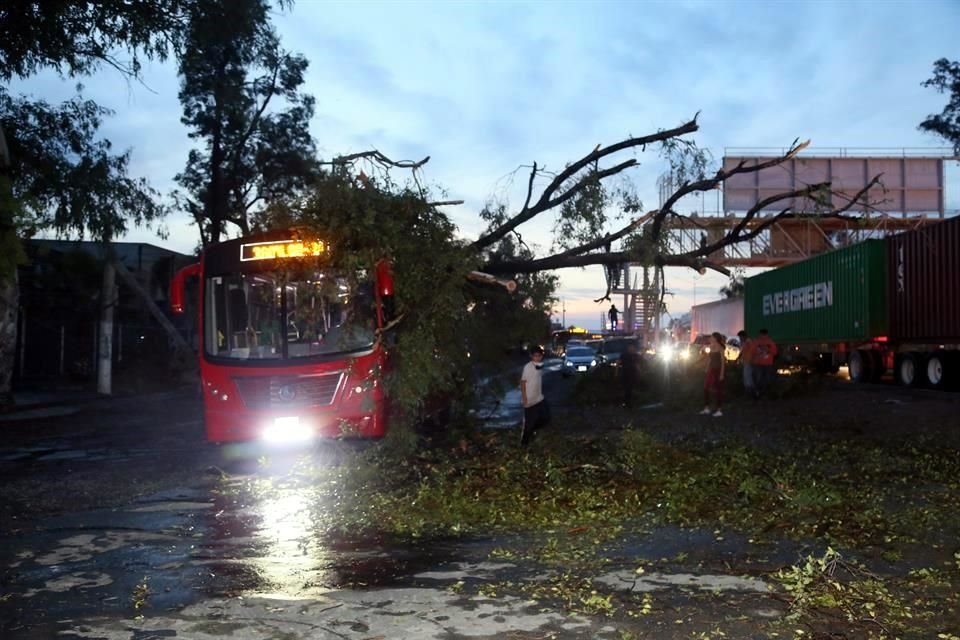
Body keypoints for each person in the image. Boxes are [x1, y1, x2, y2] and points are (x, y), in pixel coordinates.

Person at [520, 344, 550, 445]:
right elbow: (523, 382)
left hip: (539, 398)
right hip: (529, 400)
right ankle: (524, 445)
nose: (537, 357)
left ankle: (533, 430)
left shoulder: (539, 365)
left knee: (546, 417)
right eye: (535, 356)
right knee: (528, 425)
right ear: (531, 356)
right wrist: (524, 398)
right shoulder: (527, 367)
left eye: (539, 356)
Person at [699, 332, 726, 417]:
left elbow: (723, 362)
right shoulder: (710, 346)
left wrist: (722, 373)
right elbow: (710, 359)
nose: (710, 338)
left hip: (718, 370)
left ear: (715, 338)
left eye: (711, 337)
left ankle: (719, 410)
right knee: (706, 387)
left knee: (718, 390)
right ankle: (707, 408)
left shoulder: (720, 347)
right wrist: (707, 368)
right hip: (711, 369)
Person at [751, 328, 778, 398]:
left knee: (761, 379)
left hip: (761, 364)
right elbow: (775, 353)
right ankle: (762, 393)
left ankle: (760, 393)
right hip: (764, 364)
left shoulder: (757, 342)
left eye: (763, 335)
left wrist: (767, 350)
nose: (762, 336)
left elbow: (775, 352)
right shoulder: (770, 342)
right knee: (764, 379)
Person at [620, 342, 641, 407]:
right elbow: (620, 363)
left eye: (632, 347)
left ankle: (630, 402)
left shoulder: (636, 355)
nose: (631, 349)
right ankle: (627, 402)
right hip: (626, 374)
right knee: (627, 389)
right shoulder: (624, 355)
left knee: (631, 388)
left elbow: (640, 363)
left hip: (633, 373)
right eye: (630, 347)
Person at [737, 329, 756, 398]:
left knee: (748, 377)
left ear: (743, 336)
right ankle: (750, 392)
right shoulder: (745, 342)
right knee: (747, 376)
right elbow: (742, 351)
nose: (740, 338)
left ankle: (750, 393)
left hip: (749, 361)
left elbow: (751, 351)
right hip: (746, 361)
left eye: (740, 337)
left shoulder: (748, 342)